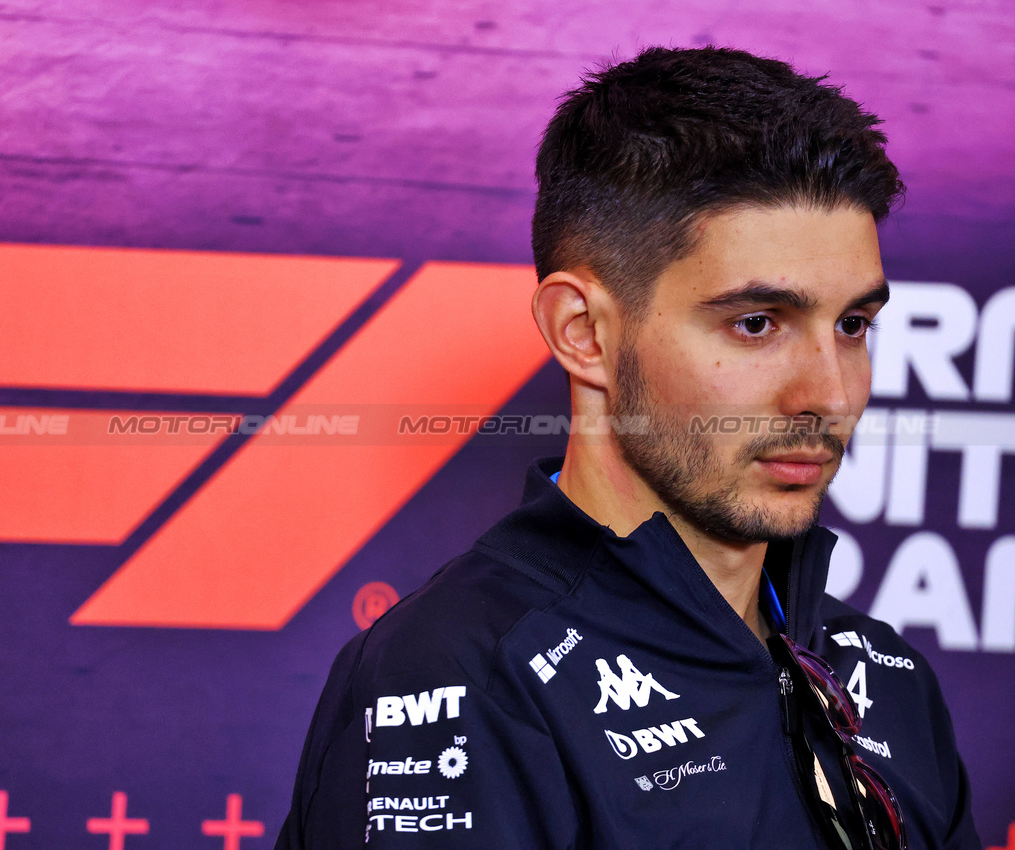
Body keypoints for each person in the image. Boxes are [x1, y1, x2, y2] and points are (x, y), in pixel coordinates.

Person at [276, 46, 980, 849]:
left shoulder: (880, 677)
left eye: (851, 325)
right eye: (755, 324)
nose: (828, 393)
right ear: (582, 333)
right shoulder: (463, 673)